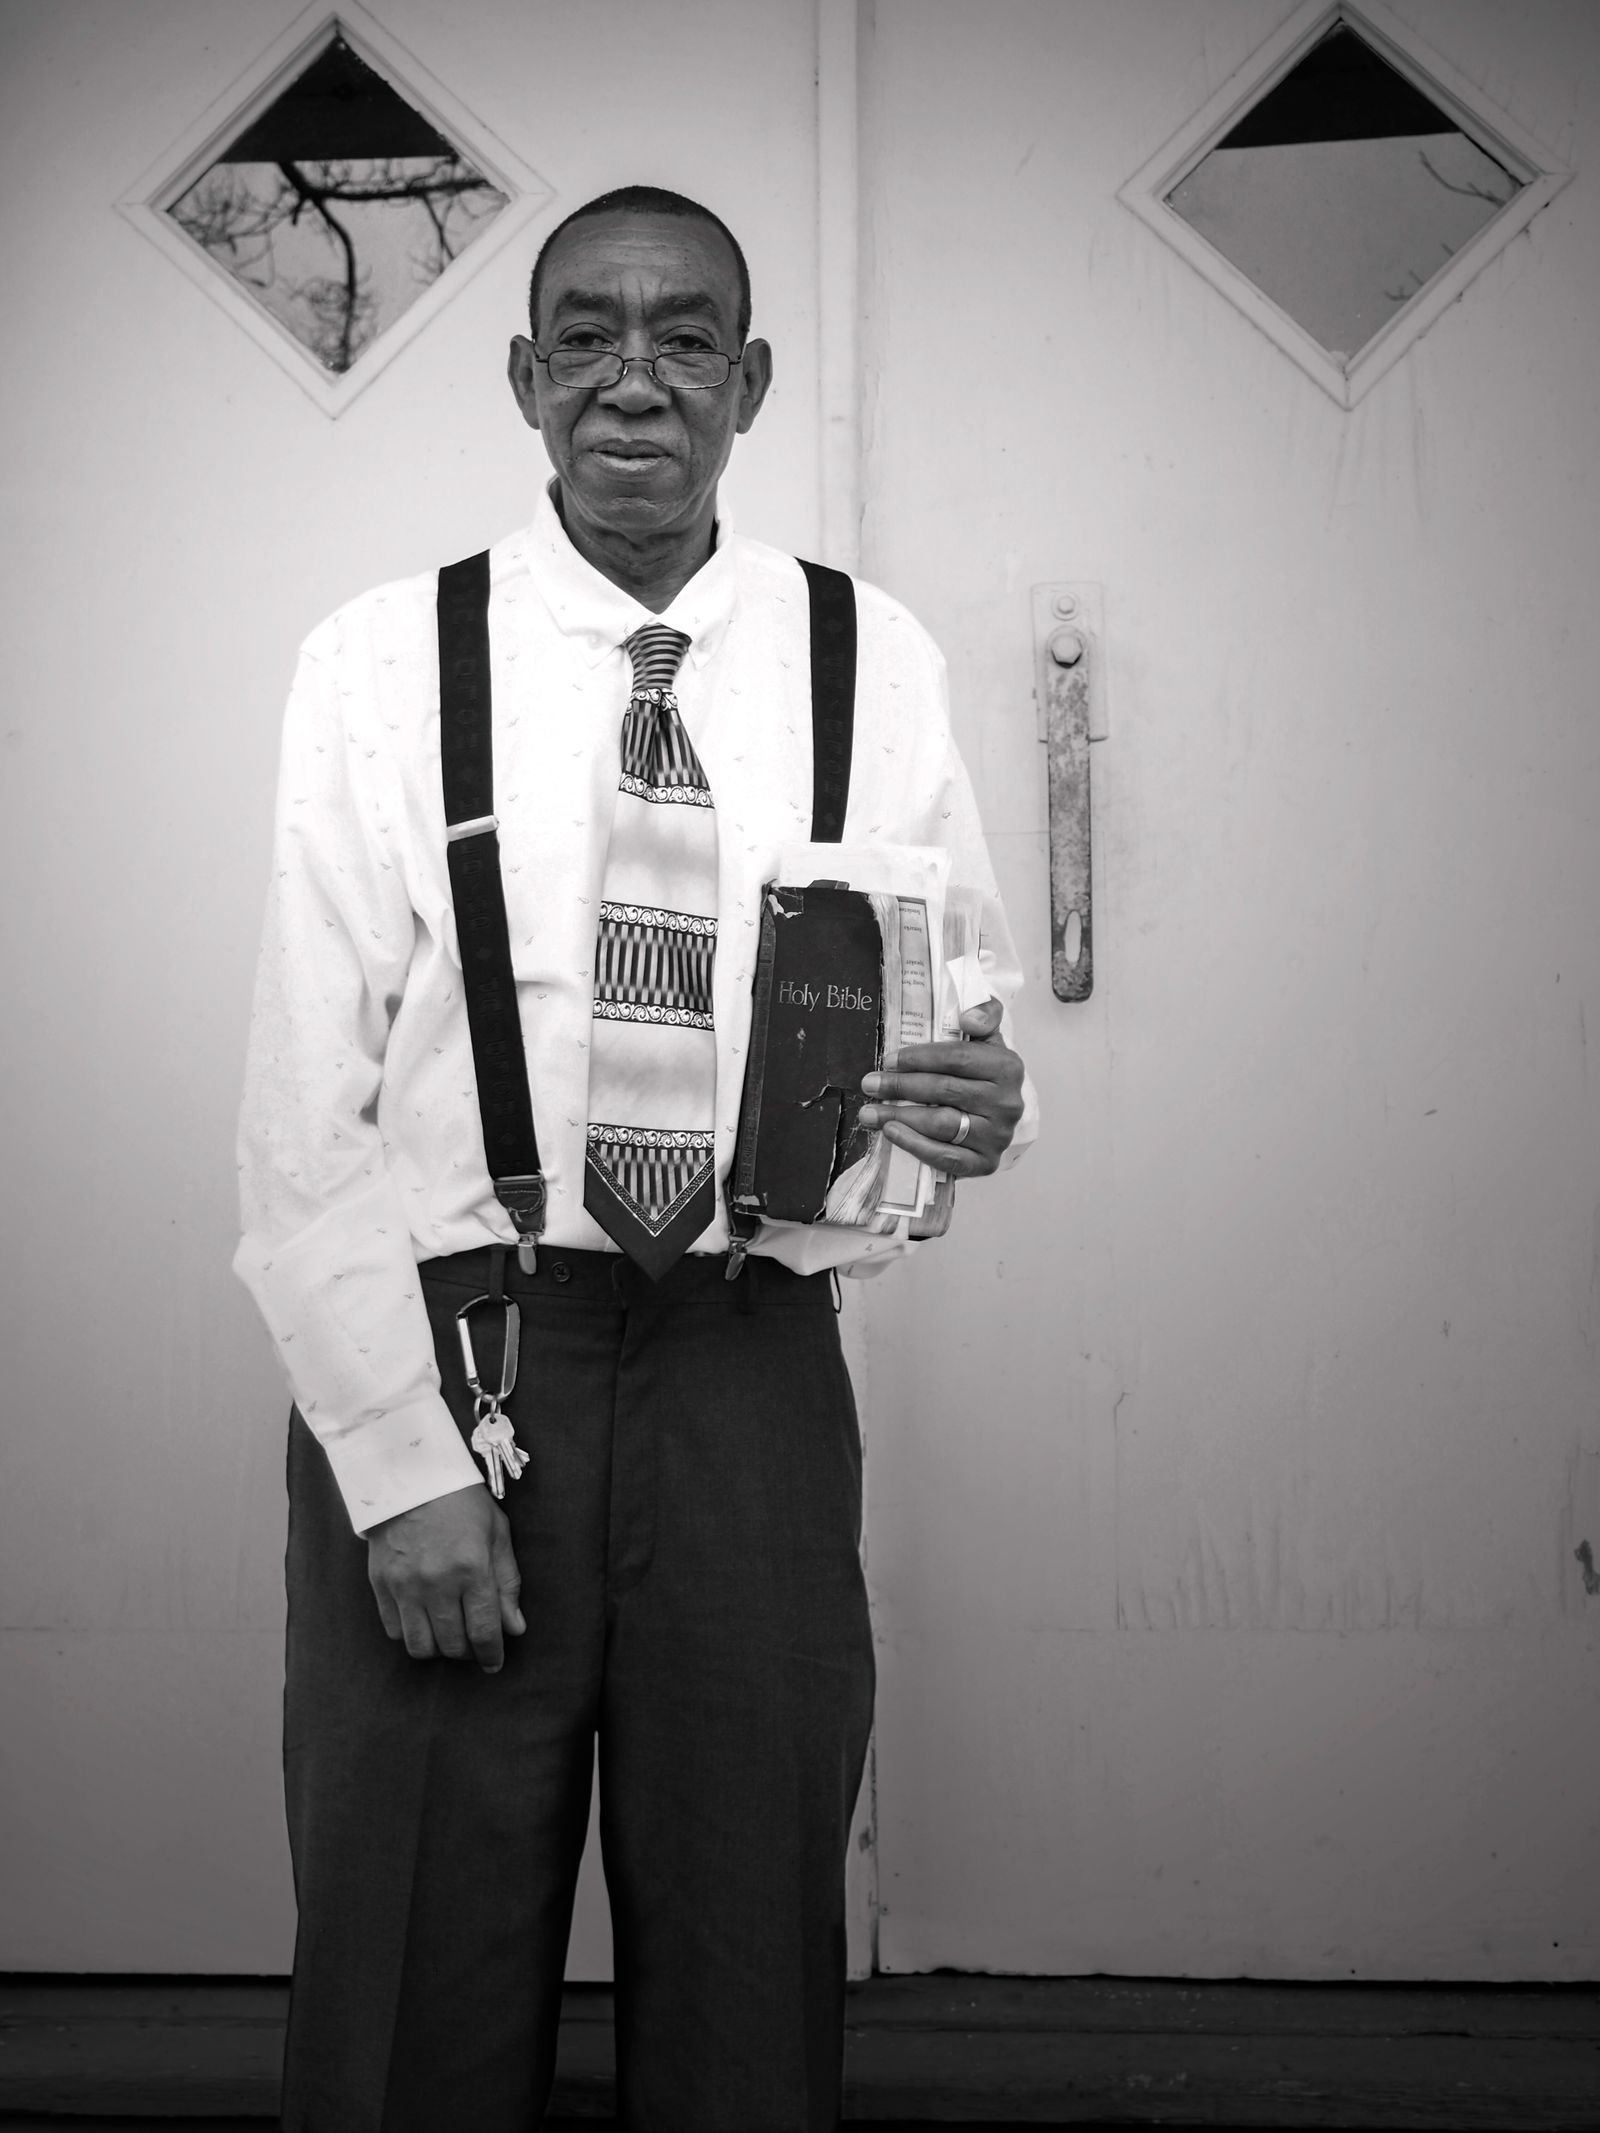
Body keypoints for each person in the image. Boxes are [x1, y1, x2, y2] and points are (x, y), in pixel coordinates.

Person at [235, 183, 1035, 2133]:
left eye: (684, 339)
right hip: (463, 1361)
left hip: (751, 1364)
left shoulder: (868, 653)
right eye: (584, 336)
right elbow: (298, 1111)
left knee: (753, 1957)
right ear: (523, 378)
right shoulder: (382, 657)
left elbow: (964, 999)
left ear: (746, 384)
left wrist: (981, 1105)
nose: (631, 381)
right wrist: (396, 1462)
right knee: (411, 1967)